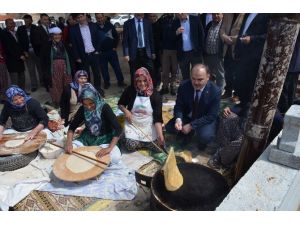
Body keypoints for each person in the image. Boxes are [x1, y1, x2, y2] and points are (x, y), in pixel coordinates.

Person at [165, 64, 221, 150]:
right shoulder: (184, 86)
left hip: (204, 118)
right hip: (189, 115)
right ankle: (187, 132)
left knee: (206, 136)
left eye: (200, 79)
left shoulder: (215, 91)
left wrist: (191, 125)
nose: (196, 83)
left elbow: (211, 116)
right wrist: (178, 119)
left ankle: (198, 137)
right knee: (169, 127)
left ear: (208, 77)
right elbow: (179, 106)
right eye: (193, 79)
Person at [65, 83, 122, 163]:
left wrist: (109, 148)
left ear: (96, 98)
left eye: (91, 103)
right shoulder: (83, 109)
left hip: (105, 139)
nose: (88, 107)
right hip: (88, 138)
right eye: (85, 104)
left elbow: (118, 128)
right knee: (69, 151)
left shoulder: (104, 107)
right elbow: (72, 127)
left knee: (115, 158)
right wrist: (69, 143)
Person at [118, 67, 164, 152]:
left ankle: (142, 143)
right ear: (135, 81)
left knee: (159, 147)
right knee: (130, 146)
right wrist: (126, 111)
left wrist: (160, 134)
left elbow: (157, 118)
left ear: (148, 80)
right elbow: (120, 104)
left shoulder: (156, 95)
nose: (142, 84)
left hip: (148, 124)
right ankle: (129, 138)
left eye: (144, 81)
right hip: (133, 124)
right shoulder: (130, 90)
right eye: (139, 81)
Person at [69, 13, 105, 97]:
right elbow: (74, 45)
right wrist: (77, 57)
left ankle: (98, 90)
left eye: (82, 16)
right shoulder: (73, 30)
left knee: (97, 74)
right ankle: (87, 92)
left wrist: (97, 50)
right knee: (85, 75)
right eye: (78, 17)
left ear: (85, 16)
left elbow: (98, 39)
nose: (80, 19)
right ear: (76, 19)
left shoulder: (93, 26)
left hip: (94, 54)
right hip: (83, 56)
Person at [40, 27, 72, 107]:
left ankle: (67, 100)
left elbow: (70, 57)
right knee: (55, 86)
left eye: (59, 35)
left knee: (66, 85)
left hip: (65, 68)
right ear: (51, 36)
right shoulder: (47, 46)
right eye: (55, 35)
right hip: (53, 69)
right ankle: (58, 102)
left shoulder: (64, 44)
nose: (57, 36)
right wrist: (45, 72)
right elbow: (43, 60)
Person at [122, 13, 155, 85]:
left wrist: (153, 52)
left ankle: (150, 88)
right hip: (134, 53)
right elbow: (125, 40)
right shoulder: (128, 24)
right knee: (134, 73)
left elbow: (150, 39)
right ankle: (134, 90)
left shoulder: (147, 23)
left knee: (150, 71)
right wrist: (126, 54)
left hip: (146, 52)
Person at [95, 13, 126, 89]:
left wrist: (115, 47)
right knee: (104, 69)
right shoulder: (94, 27)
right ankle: (106, 83)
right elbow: (93, 40)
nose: (100, 19)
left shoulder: (109, 25)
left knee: (117, 68)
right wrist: (96, 50)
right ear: (96, 18)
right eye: (98, 18)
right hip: (101, 53)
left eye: (101, 17)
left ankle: (120, 82)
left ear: (104, 17)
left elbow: (116, 36)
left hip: (111, 51)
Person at [174, 13, 205, 80]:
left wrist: (200, 50)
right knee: (185, 76)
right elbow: (171, 38)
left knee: (197, 74)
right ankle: (187, 89)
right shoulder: (175, 22)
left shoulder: (195, 19)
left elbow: (201, 35)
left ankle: (198, 89)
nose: (180, 13)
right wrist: (176, 33)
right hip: (182, 54)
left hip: (195, 52)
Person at [17, 14, 43, 92]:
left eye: (28, 21)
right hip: (27, 52)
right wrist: (23, 52)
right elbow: (19, 42)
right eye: (25, 21)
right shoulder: (20, 29)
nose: (27, 22)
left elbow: (40, 40)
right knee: (31, 70)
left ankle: (42, 82)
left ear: (31, 20)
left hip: (36, 51)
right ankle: (34, 85)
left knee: (40, 68)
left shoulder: (36, 28)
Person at [1, 19, 26, 91]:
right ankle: (17, 94)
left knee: (22, 77)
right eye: (10, 23)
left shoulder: (15, 32)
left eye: (13, 23)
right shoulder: (4, 33)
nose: (12, 25)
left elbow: (19, 45)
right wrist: (19, 56)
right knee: (15, 79)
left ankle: (22, 93)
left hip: (20, 59)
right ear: (6, 25)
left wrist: (23, 53)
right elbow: (8, 48)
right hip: (12, 60)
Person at [204, 13, 225, 92]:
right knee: (208, 74)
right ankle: (209, 90)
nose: (215, 16)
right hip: (208, 55)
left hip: (218, 55)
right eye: (213, 14)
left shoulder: (224, 25)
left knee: (220, 75)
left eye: (217, 14)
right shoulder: (209, 24)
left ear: (222, 14)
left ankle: (219, 92)